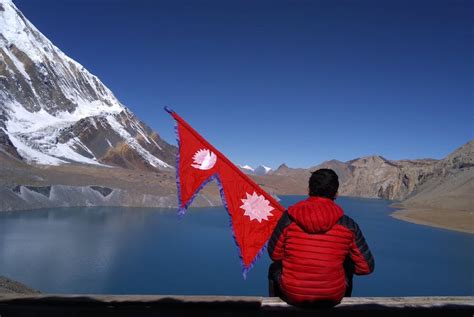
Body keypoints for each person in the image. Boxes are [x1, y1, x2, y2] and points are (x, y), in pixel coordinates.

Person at [267, 168, 374, 307]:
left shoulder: (289, 218)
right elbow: (366, 267)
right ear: (336, 193)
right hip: (332, 297)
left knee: (274, 267)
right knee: (347, 265)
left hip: (292, 294)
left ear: (309, 189)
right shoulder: (348, 225)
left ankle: (273, 310)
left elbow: (275, 255)